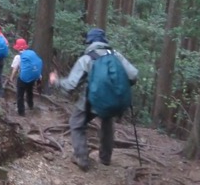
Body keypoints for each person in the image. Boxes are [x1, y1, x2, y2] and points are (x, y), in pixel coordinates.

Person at [49, 28, 138, 171]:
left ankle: (82, 158)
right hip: (112, 100)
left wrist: (56, 81)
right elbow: (133, 75)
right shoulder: (116, 55)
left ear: (89, 42)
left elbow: (71, 84)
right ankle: (105, 158)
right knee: (107, 123)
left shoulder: (87, 58)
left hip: (91, 101)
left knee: (76, 123)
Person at [9, 38, 43, 116]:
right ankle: (30, 105)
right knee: (29, 91)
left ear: (17, 47)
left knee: (20, 94)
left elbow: (15, 69)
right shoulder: (32, 53)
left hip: (23, 78)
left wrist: (11, 77)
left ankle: (21, 112)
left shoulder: (18, 57)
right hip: (33, 77)